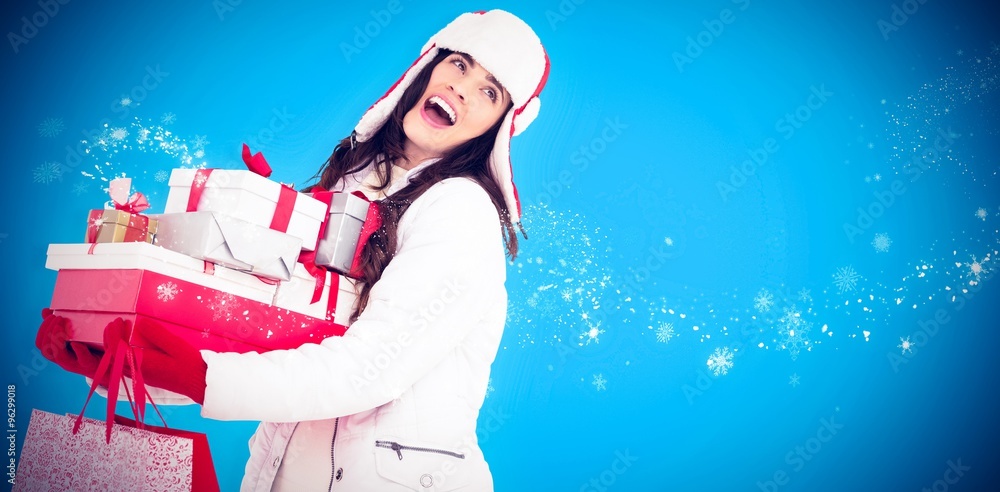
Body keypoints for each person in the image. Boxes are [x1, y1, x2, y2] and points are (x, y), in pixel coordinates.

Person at [35, 9, 549, 491]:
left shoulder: (460, 210)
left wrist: (198, 376)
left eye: (489, 91)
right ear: (428, 70)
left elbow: (372, 368)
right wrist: (125, 364)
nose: (461, 86)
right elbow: (266, 340)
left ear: (498, 127)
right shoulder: (350, 187)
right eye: (459, 63)